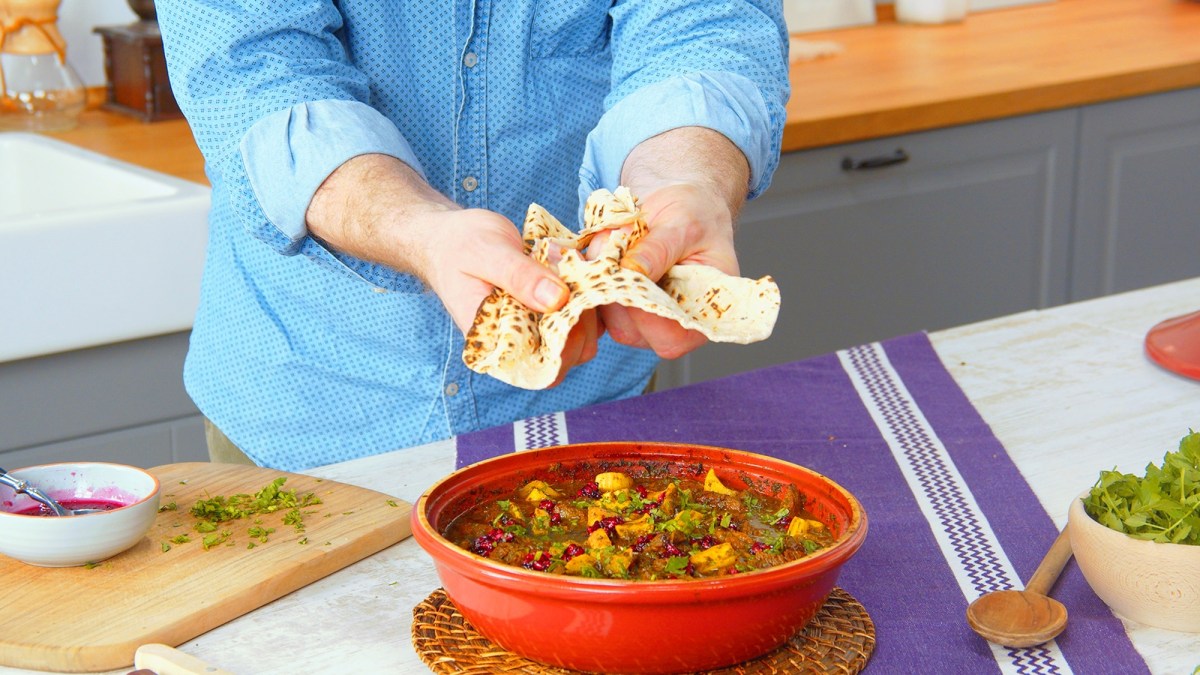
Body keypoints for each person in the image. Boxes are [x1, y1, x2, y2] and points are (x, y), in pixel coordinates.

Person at [156, 1, 790, 471]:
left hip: (590, 406)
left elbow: (700, 25)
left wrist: (683, 179)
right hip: (310, 410)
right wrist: (420, 232)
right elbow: (254, 72)